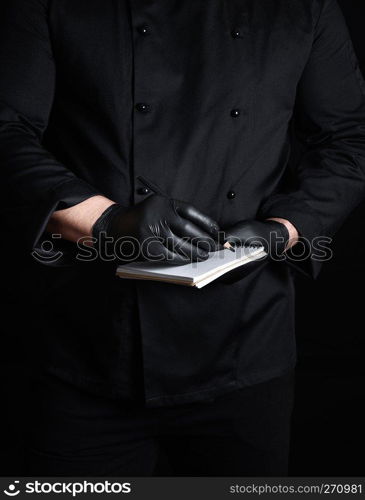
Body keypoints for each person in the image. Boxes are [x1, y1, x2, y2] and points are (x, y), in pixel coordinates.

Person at [1, 0, 365, 476]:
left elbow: (348, 138)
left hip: (245, 346)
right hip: (88, 344)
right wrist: (108, 222)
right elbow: (6, 131)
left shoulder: (302, 8)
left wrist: (281, 231)